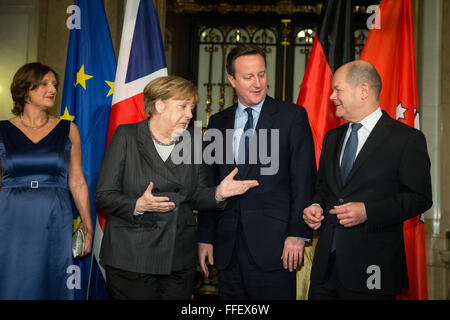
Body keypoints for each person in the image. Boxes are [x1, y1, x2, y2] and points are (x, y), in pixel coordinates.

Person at [95, 75, 258, 300]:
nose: (190, 115)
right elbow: (104, 196)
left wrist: (219, 193)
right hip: (132, 257)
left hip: (178, 259)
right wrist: (138, 205)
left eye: (192, 107)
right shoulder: (127, 136)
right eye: (182, 106)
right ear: (159, 105)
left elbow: (197, 196)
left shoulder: (192, 140)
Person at [302, 60, 432, 300]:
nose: (331, 96)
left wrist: (368, 211)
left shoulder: (406, 139)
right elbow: (323, 186)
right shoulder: (333, 137)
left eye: (337, 89)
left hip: (374, 269)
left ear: (363, 90)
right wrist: (316, 205)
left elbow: (419, 198)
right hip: (325, 270)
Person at [197, 44, 316, 300]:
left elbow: (304, 178)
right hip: (227, 248)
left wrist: (297, 233)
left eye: (261, 74)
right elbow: (210, 183)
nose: (258, 83)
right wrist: (205, 237)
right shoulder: (218, 122)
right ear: (232, 79)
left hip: (276, 247)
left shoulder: (292, 116)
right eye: (248, 76)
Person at [0, 62, 93, 299]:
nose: (52, 88)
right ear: (25, 89)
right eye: (44, 83)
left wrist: (87, 224)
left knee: (53, 280)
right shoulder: (2, 130)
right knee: (12, 279)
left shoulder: (68, 129)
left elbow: (77, 180)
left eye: (54, 84)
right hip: (11, 217)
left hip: (55, 215)